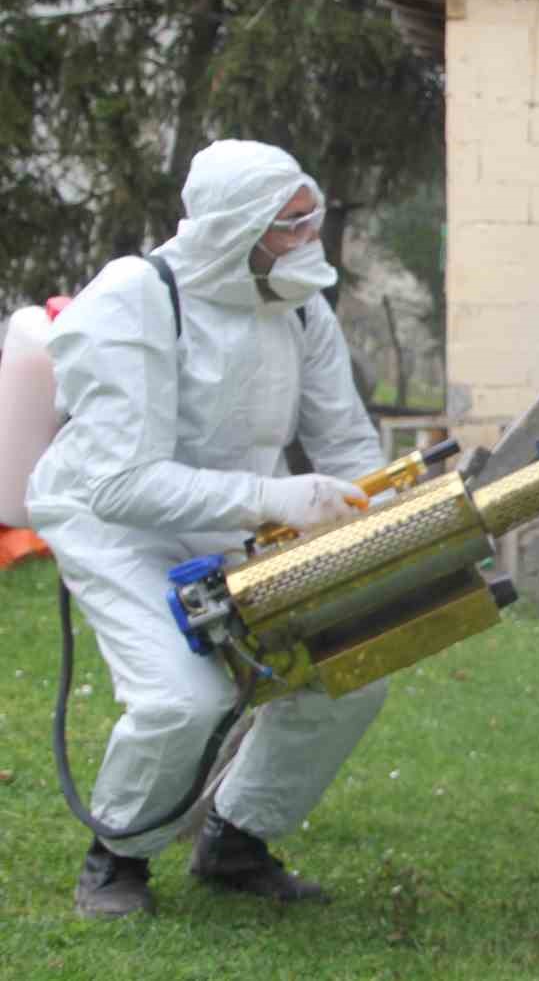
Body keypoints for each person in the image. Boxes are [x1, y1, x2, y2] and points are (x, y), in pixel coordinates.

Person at [26, 139, 389, 919]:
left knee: (350, 666)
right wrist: (276, 498)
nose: (308, 242)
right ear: (233, 229)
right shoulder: (138, 296)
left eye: (311, 220)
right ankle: (116, 858)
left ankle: (236, 840)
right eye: (289, 226)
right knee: (181, 700)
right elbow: (122, 482)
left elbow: (349, 444)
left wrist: (384, 511)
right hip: (111, 521)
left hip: (233, 515)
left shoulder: (296, 301)